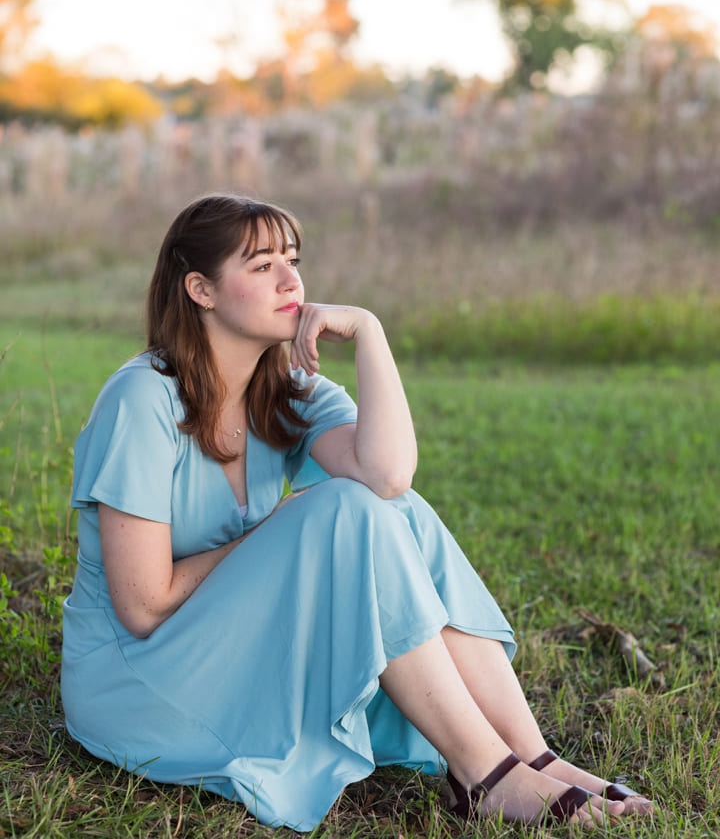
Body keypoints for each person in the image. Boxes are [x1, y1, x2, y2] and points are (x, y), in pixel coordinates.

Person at [61, 194, 654, 830]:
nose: (291, 280)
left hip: (229, 645)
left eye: (293, 260)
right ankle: (484, 775)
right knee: (342, 509)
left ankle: (529, 757)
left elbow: (388, 476)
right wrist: (282, 533)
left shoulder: (283, 387)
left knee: (397, 511)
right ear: (201, 289)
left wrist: (369, 329)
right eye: (262, 266)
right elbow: (143, 606)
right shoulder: (141, 399)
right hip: (142, 681)